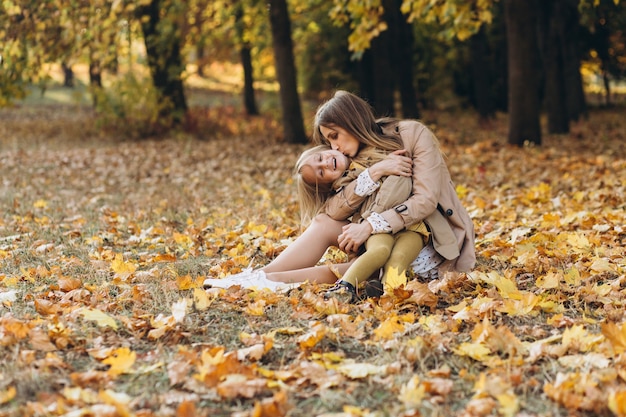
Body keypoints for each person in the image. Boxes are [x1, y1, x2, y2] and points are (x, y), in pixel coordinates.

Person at [203, 90, 475, 298]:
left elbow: (425, 201)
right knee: (323, 225)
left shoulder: (412, 134)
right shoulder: (355, 161)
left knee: (366, 267)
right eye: (328, 141)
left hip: (426, 238)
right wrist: (374, 173)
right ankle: (257, 276)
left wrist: (369, 225)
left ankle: (267, 283)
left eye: (335, 135)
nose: (334, 146)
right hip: (381, 233)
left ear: (351, 122)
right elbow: (330, 213)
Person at [297, 144, 431, 303]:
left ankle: (389, 293)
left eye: (320, 158)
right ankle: (344, 287)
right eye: (321, 172)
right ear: (327, 184)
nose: (324, 164)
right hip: (375, 229)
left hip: (411, 227)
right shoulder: (346, 186)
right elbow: (336, 208)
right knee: (379, 250)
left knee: (399, 256)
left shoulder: (377, 157)